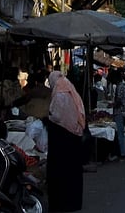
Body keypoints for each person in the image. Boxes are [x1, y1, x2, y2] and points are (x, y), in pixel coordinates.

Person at [45, 70, 85, 212]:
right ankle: (71, 202)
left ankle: (61, 203)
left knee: (61, 173)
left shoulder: (60, 92)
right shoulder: (68, 87)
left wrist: (48, 117)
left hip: (62, 138)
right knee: (72, 173)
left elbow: (57, 116)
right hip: (73, 137)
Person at [107, 69, 125, 161]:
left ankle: (123, 154)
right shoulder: (121, 86)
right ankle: (121, 152)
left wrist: (112, 105)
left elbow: (119, 101)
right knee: (120, 133)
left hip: (120, 112)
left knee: (120, 134)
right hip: (121, 112)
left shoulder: (120, 87)